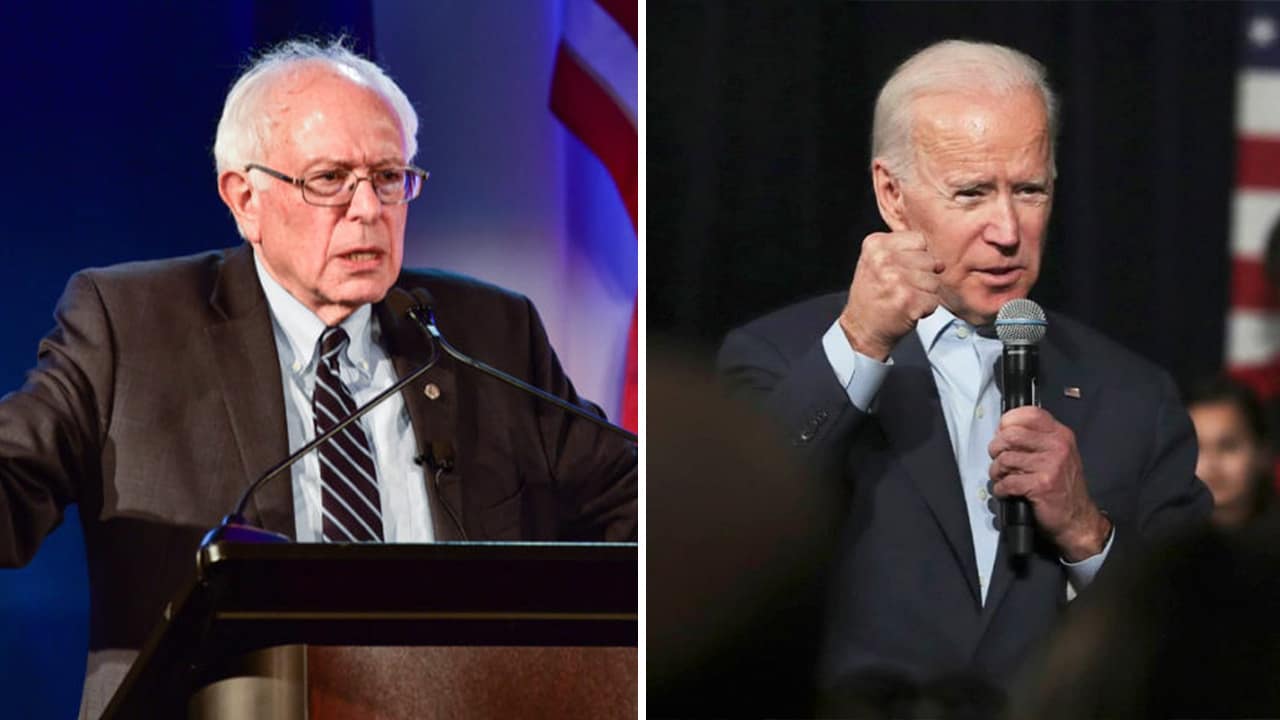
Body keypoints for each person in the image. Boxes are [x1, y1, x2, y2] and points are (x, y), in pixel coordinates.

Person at [0, 39, 636, 718]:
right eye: (329, 179)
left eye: (388, 177)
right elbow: (16, 474)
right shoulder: (132, 326)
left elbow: (635, 500)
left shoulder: (488, 332)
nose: (368, 209)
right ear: (244, 199)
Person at [717, 39, 1211, 709]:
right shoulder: (778, 357)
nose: (1007, 229)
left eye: (1029, 190)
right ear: (893, 196)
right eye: (973, 193)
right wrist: (860, 342)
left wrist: (1086, 533)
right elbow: (724, 545)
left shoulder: (1135, 397)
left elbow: (1202, 643)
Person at [1186, 375, 1274, 529]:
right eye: (1196, 448)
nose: (1211, 464)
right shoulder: (1154, 542)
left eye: (1228, 447)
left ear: (1263, 454)